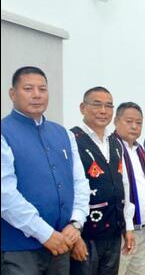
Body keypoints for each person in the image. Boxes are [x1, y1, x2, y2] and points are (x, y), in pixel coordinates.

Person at [1, 66, 90, 275]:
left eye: (42, 89)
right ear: (12, 94)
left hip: (62, 243)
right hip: (19, 248)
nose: (37, 95)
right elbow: (5, 194)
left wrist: (76, 223)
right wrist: (45, 233)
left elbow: (79, 182)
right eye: (28, 89)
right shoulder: (4, 132)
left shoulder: (63, 134)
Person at [69, 87, 127, 275]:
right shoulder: (71, 139)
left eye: (109, 106)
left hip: (113, 233)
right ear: (82, 108)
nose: (103, 110)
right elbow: (68, 190)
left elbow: (121, 186)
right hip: (85, 235)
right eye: (97, 104)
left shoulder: (115, 143)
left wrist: (127, 227)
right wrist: (75, 236)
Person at [114, 102, 145, 275]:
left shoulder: (139, 150)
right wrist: (128, 228)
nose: (134, 126)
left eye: (139, 122)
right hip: (122, 232)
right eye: (129, 121)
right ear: (116, 121)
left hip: (144, 229)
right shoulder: (112, 148)